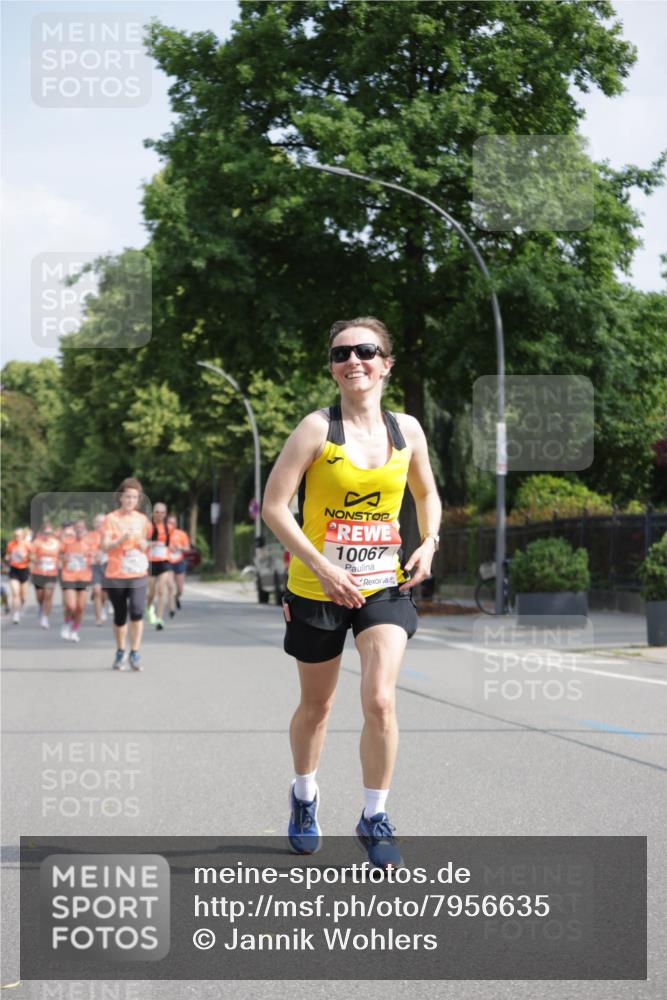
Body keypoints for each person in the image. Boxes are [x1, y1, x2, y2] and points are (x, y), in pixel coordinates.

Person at [262, 317, 441, 869]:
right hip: (317, 588)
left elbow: (427, 493)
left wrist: (429, 542)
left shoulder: (407, 430)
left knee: (381, 699)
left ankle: (374, 815)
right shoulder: (316, 429)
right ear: (332, 368)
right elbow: (274, 507)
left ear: (386, 362)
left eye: (365, 351)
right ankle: (304, 795)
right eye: (341, 354)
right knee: (318, 708)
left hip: (382, 585)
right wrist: (319, 564)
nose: (353, 361)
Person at [101, 477, 152, 671]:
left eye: (134, 497)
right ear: (120, 498)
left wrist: (142, 544)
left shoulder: (142, 520)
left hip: (137, 571)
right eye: (127, 496)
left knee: (138, 611)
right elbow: (104, 546)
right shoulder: (111, 519)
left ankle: (136, 652)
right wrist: (120, 539)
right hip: (116, 572)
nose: (130, 500)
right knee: (120, 615)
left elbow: (145, 544)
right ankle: (121, 650)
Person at [59, 519, 94, 642]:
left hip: (85, 577)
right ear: (73, 529)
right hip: (69, 576)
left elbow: (97, 555)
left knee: (80, 607)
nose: (79, 529)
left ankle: (74, 630)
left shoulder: (90, 541)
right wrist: (64, 557)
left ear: (85, 529)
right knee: (70, 605)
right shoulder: (67, 540)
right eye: (77, 527)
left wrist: (93, 558)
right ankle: (66, 623)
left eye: (82, 527)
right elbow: (59, 553)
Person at [30, 521, 61, 629]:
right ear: (42, 532)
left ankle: (45, 618)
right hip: (38, 572)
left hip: (51, 573)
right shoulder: (37, 542)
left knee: (48, 594)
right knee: (40, 595)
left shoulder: (57, 543)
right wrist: (37, 561)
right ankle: (40, 605)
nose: (47, 535)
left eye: (49, 533)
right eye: (46, 533)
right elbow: (32, 555)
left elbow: (61, 554)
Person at [146, 502, 170, 630]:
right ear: (153, 513)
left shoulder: (168, 527)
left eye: (162, 512)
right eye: (157, 512)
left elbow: (170, 544)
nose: (160, 515)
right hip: (150, 562)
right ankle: (148, 607)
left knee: (161, 590)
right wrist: (150, 544)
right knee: (151, 593)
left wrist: (175, 547)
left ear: (165, 514)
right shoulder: (148, 526)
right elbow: (140, 542)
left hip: (164, 561)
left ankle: (159, 618)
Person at [165, 514, 190, 617]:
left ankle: (177, 598)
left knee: (180, 589)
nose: (172, 525)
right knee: (170, 587)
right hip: (168, 561)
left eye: (174, 523)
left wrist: (180, 547)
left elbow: (187, 548)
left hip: (179, 561)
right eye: (170, 523)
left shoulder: (181, 534)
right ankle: (172, 609)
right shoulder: (163, 534)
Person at [5, 528, 31, 624]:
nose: (17, 537)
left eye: (19, 535)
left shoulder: (27, 545)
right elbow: (7, 556)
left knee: (23, 597)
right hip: (14, 570)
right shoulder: (10, 544)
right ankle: (16, 614)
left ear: (23, 536)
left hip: (24, 570)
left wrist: (26, 556)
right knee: (15, 593)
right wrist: (7, 558)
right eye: (15, 535)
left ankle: (21, 605)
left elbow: (32, 557)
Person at [88, 514, 109, 626]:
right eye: (97, 522)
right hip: (94, 565)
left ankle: (103, 604)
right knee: (97, 591)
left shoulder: (110, 534)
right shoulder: (89, 535)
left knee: (105, 593)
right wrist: (92, 554)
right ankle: (98, 618)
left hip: (108, 564)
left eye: (102, 522)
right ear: (93, 523)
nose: (99, 524)